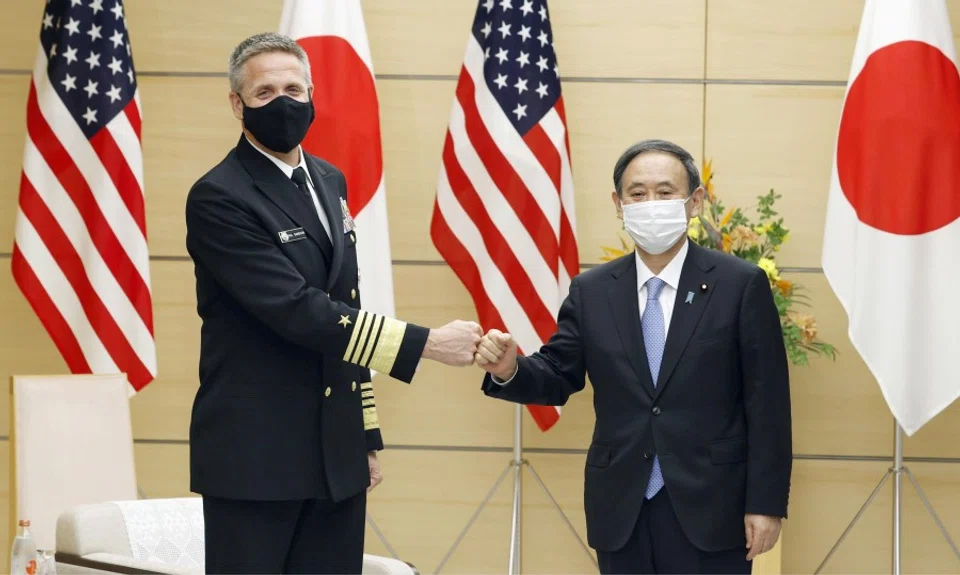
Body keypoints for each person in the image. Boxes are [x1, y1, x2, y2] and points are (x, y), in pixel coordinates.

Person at [184, 32, 481, 574]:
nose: (284, 102)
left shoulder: (328, 179)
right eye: (265, 91)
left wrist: (363, 433)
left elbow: (346, 300)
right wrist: (428, 344)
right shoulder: (219, 197)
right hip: (256, 458)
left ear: (313, 93)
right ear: (237, 104)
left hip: (334, 455)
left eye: (294, 88)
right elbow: (299, 310)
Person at [475, 140, 792, 574]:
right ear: (619, 205)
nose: (651, 203)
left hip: (714, 505)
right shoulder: (592, 291)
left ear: (695, 201)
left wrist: (766, 504)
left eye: (665, 192)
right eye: (637, 194)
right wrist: (510, 368)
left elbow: (768, 405)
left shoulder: (739, 285)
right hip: (622, 505)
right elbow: (558, 375)